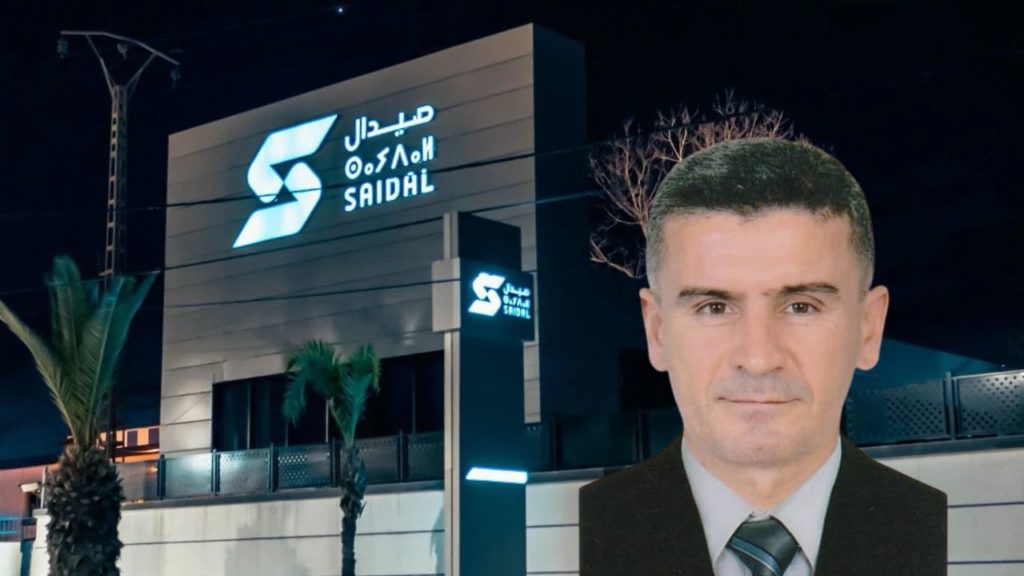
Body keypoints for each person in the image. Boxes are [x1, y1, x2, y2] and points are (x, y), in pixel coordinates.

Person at [578, 138, 947, 575]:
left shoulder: (937, 527)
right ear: (656, 332)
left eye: (801, 306)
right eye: (714, 308)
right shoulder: (586, 530)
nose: (758, 358)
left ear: (868, 328)